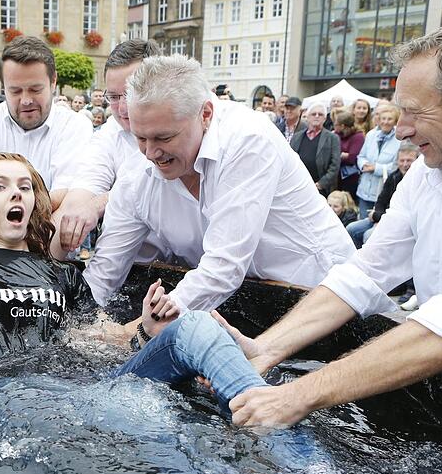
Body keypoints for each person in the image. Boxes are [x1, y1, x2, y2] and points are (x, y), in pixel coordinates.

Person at [222, 26, 442, 426]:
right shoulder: (427, 170)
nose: (401, 129)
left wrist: (299, 394)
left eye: (414, 111)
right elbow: (365, 274)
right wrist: (266, 347)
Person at [0, 151, 266, 411]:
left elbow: (99, 340)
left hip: (83, 390)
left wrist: (145, 328)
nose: (16, 194)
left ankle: (269, 417)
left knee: (195, 325)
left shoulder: (64, 274)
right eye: (0, 186)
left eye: (25, 186)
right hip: (3, 397)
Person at [84, 55, 355, 320]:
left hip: (321, 296)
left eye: (164, 138)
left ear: (205, 114)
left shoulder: (248, 140)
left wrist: (140, 329)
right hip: (239, 300)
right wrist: (81, 321)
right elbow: (104, 271)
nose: (150, 153)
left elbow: (224, 266)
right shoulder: (135, 174)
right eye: (140, 138)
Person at [53, 39, 163, 259]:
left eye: (131, 94)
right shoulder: (109, 134)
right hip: (133, 263)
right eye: (113, 97)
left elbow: (161, 183)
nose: (122, 109)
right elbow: (83, 190)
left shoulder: (195, 120)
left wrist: (99, 204)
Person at [0, 37, 93, 206]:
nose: (26, 100)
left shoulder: (74, 126)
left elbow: (65, 194)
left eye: (35, 89)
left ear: (53, 81)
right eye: (15, 91)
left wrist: (3, 202)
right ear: (3, 87)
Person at [345, 141, 419, 248]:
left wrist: (378, 217)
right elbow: (381, 200)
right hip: (383, 217)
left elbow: (404, 214)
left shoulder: (418, 182)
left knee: (368, 236)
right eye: (402, 160)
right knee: (351, 229)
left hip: (398, 224)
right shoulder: (394, 177)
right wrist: (378, 217)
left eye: (409, 160)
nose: (405, 164)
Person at [354, 105, 401, 218]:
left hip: (383, 190)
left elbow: (398, 165)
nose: (386, 122)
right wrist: (363, 165)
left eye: (389, 119)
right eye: (383, 119)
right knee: (362, 220)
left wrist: (376, 168)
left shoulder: (399, 140)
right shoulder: (371, 135)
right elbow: (361, 156)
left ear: (395, 121)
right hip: (364, 190)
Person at [290, 103, 341, 194]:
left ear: (324, 119)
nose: (317, 116)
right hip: (298, 186)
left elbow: (335, 165)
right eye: (313, 114)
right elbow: (290, 160)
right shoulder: (296, 137)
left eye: (320, 114)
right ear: (307, 117)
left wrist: (320, 184)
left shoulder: (332, 138)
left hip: (321, 189)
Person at [334, 111, 364, 198]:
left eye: (336, 125)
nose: (334, 127)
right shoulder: (336, 134)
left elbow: (352, 157)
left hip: (351, 176)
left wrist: (341, 155)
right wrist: (343, 155)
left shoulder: (358, 136)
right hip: (337, 174)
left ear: (342, 126)